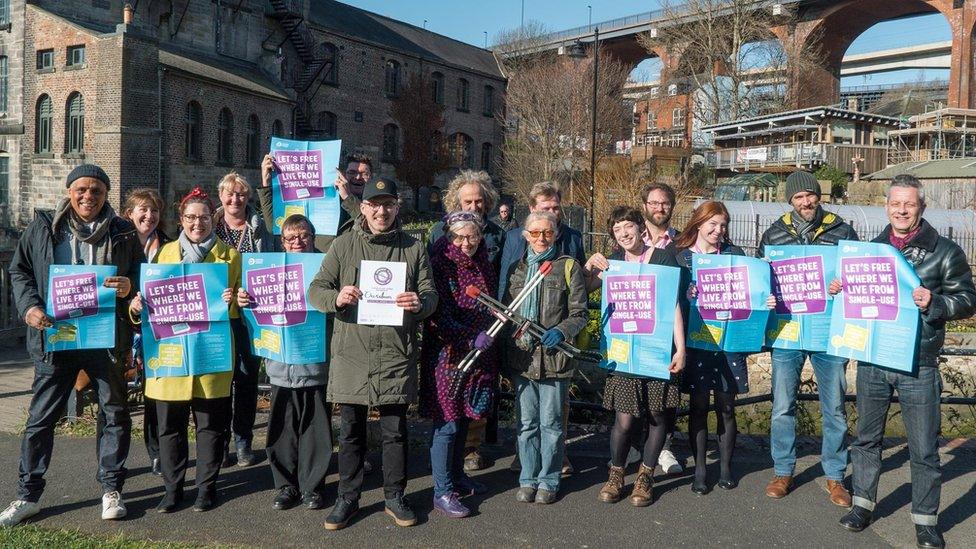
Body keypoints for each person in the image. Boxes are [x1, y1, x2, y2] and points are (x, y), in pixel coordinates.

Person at [835, 176, 976, 549]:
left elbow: (967, 299)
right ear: (886, 207)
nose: (901, 210)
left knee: (924, 446)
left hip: (920, 360)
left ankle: (926, 521)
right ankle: (863, 505)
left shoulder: (945, 251)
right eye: (895, 203)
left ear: (921, 208)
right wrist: (841, 289)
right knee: (866, 439)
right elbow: (857, 301)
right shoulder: (871, 250)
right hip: (874, 358)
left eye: (909, 204)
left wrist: (935, 303)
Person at [0, 165, 143, 526]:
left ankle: (112, 488)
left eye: (96, 190)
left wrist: (129, 288)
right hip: (56, 336)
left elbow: (140, 275)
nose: (88, 197)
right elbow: (21, 271)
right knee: (40, 418)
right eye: (81, 189)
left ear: (106, 194)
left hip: (104, 338)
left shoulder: (123, 231)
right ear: (69, 191)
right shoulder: (44, 227)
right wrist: (30, 307)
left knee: (114, 414)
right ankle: (27, 495)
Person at [309, 178, 438, 530]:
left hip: (395, 352)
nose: (382, 211)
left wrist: (420, 303)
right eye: (374, 204)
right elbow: (317, 289)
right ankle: (348, 497)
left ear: (398, 207)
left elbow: (430, 293)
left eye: (388, 204)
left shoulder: (413, 247)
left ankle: (395, 496)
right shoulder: (343, 244)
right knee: (351, 430)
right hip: (352, 352)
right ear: (363, 207)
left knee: (395, 430)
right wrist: (336, 298)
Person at [129, 187, 239, 513]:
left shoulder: (230, 258)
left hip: (210, 355)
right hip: (171, 356)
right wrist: (136, 307)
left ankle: (207, 488)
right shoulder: (161, 256)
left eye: (204, 217)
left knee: (210, 427)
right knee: (170, 427)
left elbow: (243, 310)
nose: (197, 224)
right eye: (190, 217)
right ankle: (172, 488)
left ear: (213, 219)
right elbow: (144, 310)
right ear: (181, 220)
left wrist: (235, 303)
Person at [758, 170, 859, 506]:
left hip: (828, 332)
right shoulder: (774, 234)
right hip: (787, 331)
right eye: (798, 197)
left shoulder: (841, 229)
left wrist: (842, 285)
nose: (805, 202)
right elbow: (761, 280)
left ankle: (835, 476)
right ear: (790, 201)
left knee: (835, 407)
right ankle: (783, 470)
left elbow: (856, 274)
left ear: (819, 196)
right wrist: (766, 296)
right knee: (782, 405)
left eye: (810, 195)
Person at [583, 206, 686, 506]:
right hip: (625, 353)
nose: (623, 233)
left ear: (641, 228)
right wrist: (590, 265)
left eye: (628, 226)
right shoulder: (614, 262)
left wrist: (681, 349)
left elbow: (672, 305)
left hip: (656, 350)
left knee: (657, 415)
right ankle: (616, 473)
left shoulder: (663, 257)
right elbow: (587, 288)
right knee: (624, 420)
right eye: (616, 230)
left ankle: (646, 476)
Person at [670, 200, 774, 495]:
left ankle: (726, 466)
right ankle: (701, 468)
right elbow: (672, 302)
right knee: (699, 407)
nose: (718, 230)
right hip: (698, 342)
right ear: (699, 224)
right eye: (713, 224)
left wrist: (764, 301)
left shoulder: (735, 254)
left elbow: (752, 292)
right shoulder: (681, 259)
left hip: (730, 343)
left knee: (727, 407)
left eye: (723, 225)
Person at [237, 214, 331, 512]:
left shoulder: (327, 267)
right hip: (280, 365)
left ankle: (313, 487)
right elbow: (253, 313)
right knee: (282, 429)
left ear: (313, 237)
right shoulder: (271, 268)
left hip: (315, 363)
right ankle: (286, 485)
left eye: (303, 236)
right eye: (290, 238)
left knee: (316, 431)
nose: (297, 242)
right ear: (282, 241)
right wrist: (244, 300)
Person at [499, 182, 585, 475]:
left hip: (554, 342)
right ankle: (525, 458)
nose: (550, 213)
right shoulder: (512, 239)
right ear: (532, 209)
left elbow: (579, 292)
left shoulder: (571, 241)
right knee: (526, 414)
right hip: (523, 343)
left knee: (553, 413)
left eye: (555, 208)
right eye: (544, 208)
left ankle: (555, 460)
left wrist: (564, 329)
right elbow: (506, 285)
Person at [426, 170, 505, 473]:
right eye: (467, 201)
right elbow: (439, 305)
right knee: (448, 418)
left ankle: (459, 473)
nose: (473, 206)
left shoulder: (492, 239)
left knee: (471, 408)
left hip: (484, 332)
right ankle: (444, 484)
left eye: (479, 201)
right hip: (453, 342)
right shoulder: (441, 246)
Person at [420, 211, 498, 518]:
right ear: (450, 236)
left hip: (479, 353)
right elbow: (438, 314)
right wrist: (468, 338)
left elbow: (490, 302)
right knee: (448, 422)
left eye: (473, 236)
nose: (467, 242)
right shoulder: (440, 263)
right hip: (448, 354)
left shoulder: (483, 261)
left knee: (465, 417)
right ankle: (442, 490)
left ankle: (456, 476)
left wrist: (493, 325)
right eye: (460, 236)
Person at [212, 172, 272, 467]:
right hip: (219, 316)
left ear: (248, 198)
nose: (235, 199)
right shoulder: (208, 226)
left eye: (241, 194)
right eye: (229, 194)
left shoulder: (259, 228)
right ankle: (220, 440)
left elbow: (270, 264)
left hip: (250, 314)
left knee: (247, 378)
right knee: (221, 378)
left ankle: (243, 438)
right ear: (220, 196)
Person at [122, 188, 172, 477]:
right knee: (117, 398)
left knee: (155, 394)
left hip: (157, 329)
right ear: (130, 213)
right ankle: (116, 458)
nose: (149, 215)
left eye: (154, 210)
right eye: (143, 209)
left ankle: (156, 453)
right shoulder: (119, 244)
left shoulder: (167, 245)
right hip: (125, 328)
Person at [638, 182, 683, 474]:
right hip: (638, 326)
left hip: (668, 328)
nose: (659, 208)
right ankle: (638, 446)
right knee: (636, 391)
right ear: (644, 206)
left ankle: (664, 448)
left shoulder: (681, 241)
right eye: (653, 203)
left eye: (664, 203)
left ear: (672, 207)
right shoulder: (627, 235)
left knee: (666, 394)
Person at [257, 152, 366, 253]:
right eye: (352, 172)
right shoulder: (330, 199)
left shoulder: (369, 208)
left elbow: (368, 225)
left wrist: (347, 197)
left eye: (364, 173)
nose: (357, 177)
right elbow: (274, 221)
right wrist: (266, 183)